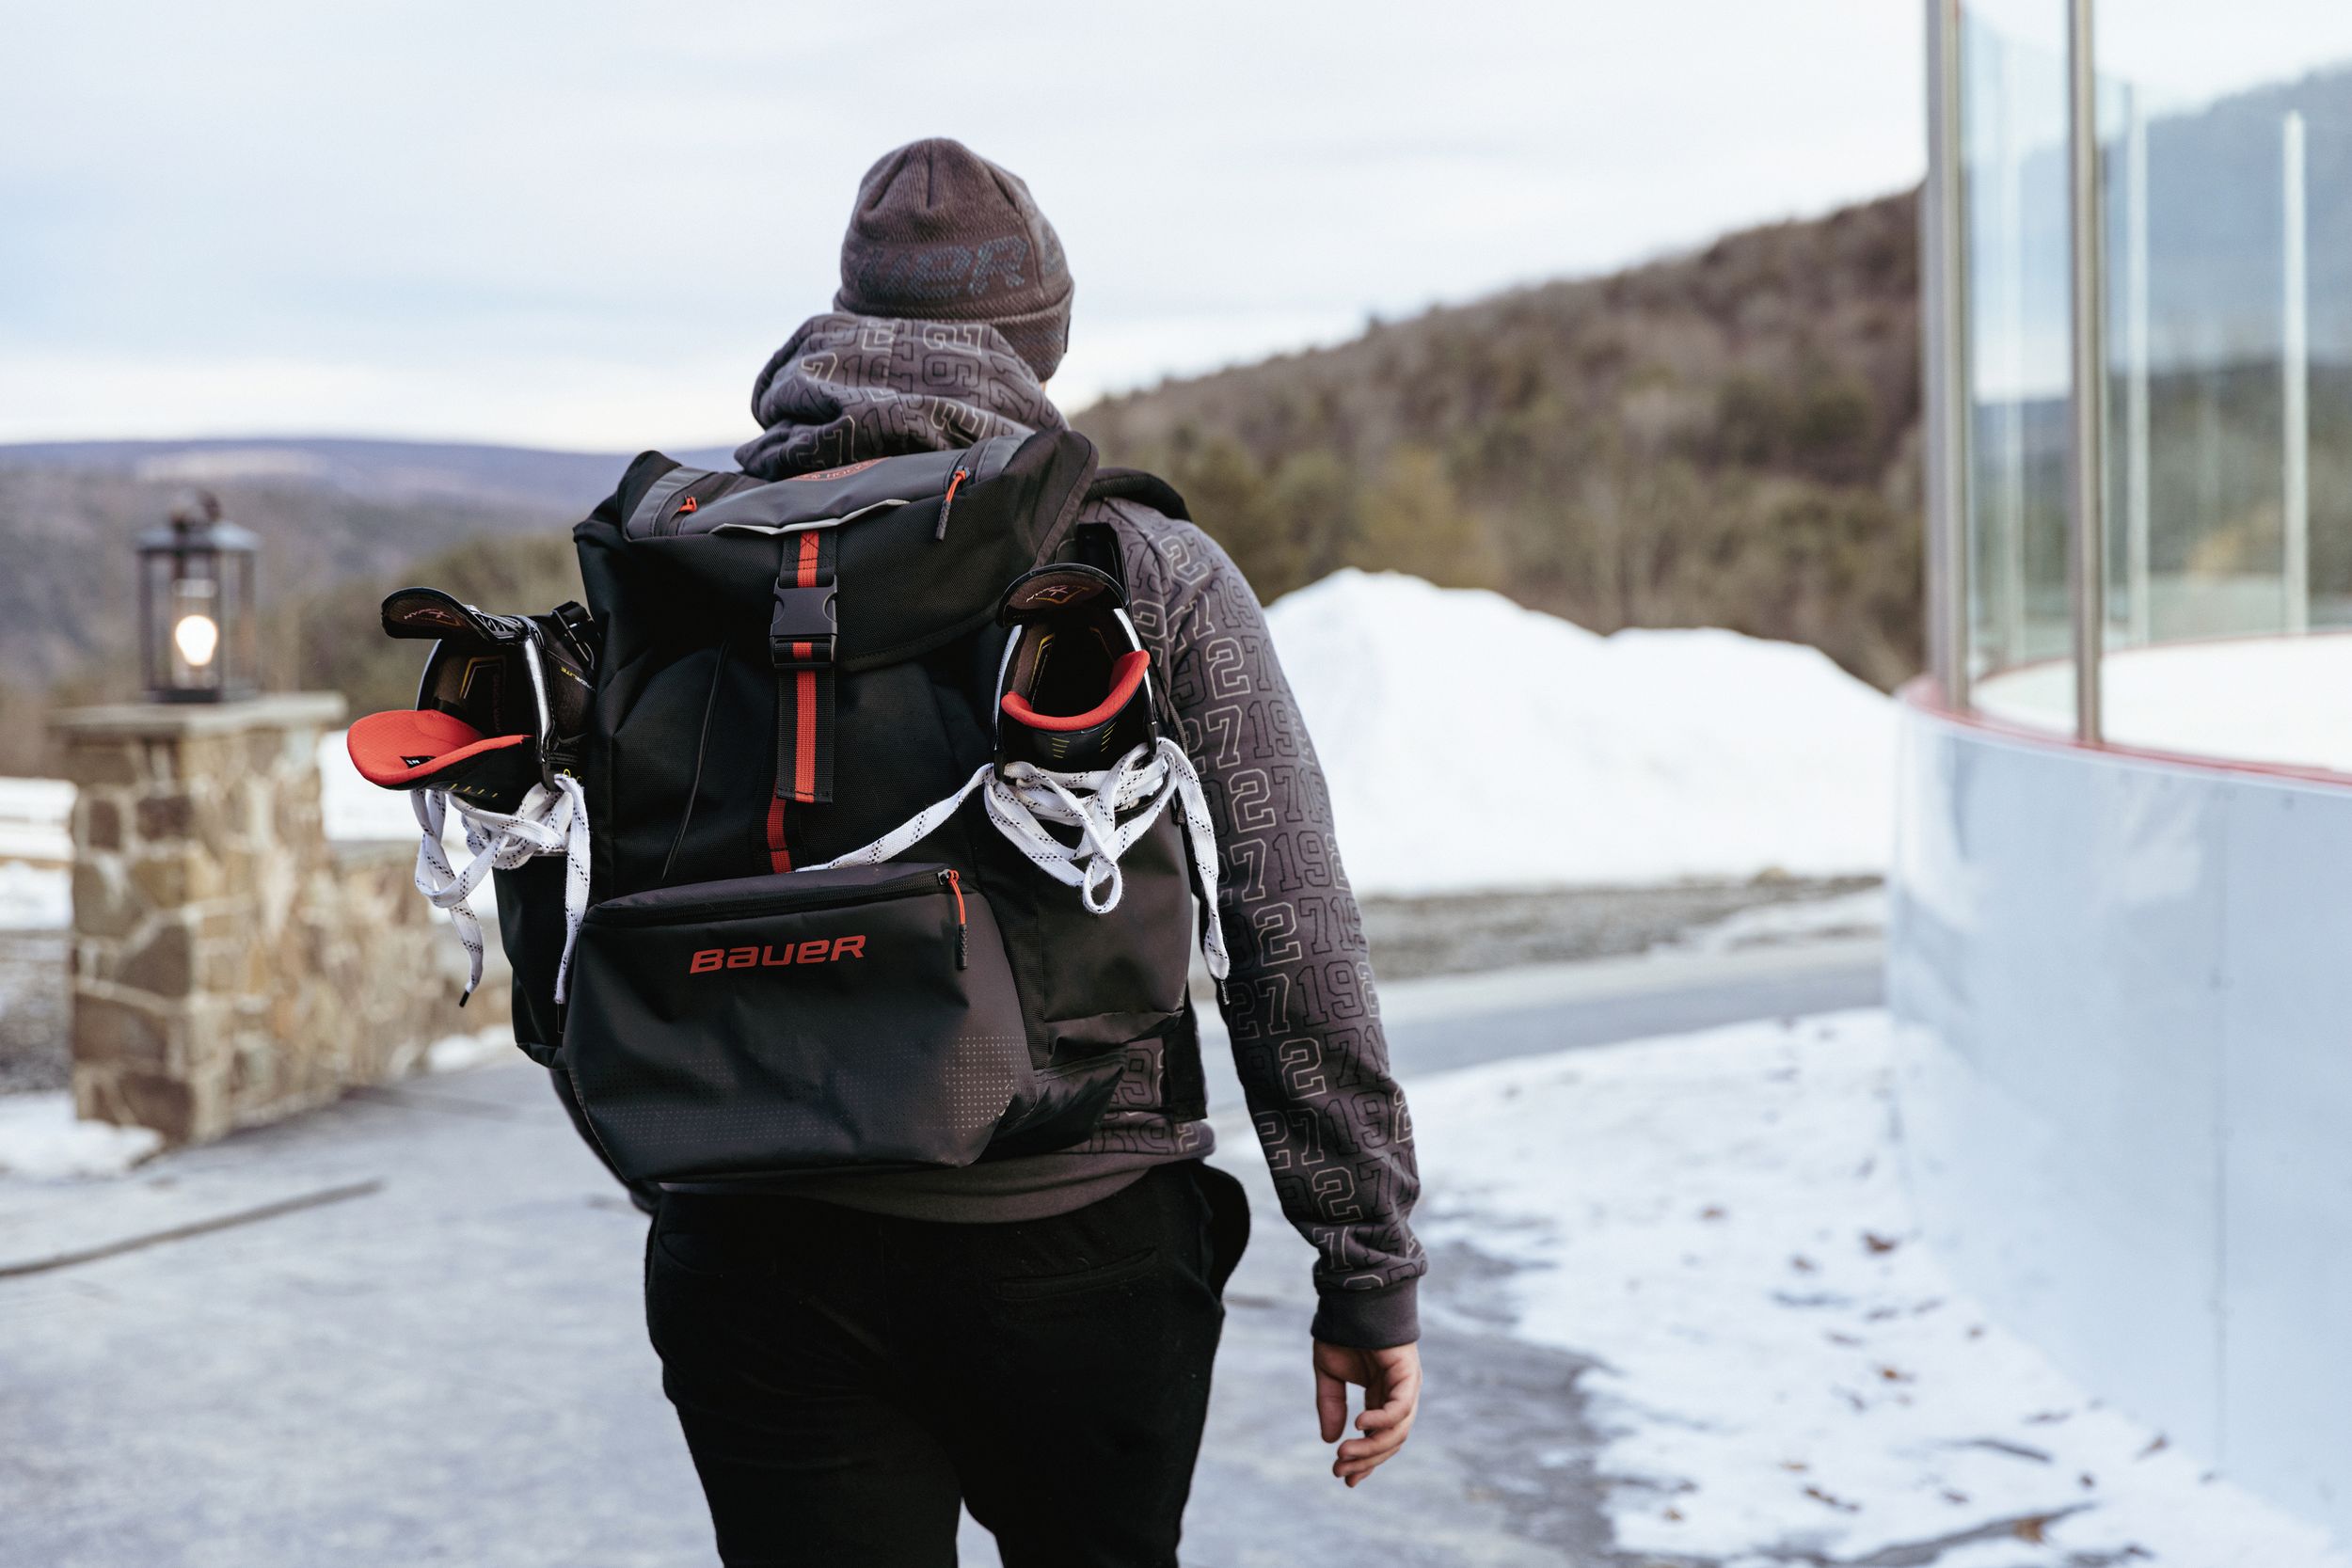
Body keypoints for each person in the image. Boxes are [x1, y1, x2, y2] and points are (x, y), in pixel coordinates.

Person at [641, 136, 1425, 1568]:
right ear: (1037, 342)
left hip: (755, 1248)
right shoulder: (1138, 565)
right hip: (1073, 1236)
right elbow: (1292, 931)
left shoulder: (695, 555)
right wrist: (1366, 1269)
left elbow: (595, 906)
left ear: (843, 325)